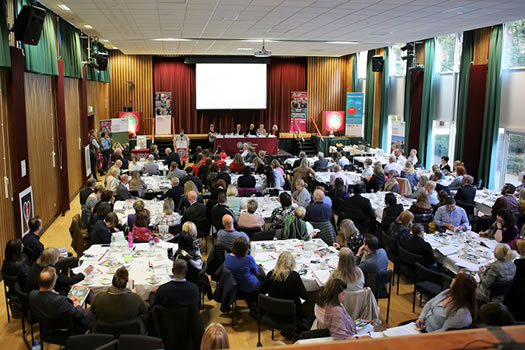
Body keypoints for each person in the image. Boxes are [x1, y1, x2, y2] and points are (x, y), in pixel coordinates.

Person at [29, 267, 92, 332]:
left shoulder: (32, 294)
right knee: (94, 310)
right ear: (53, 283)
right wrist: (77, 305)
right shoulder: (60, 301)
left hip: (46, 326)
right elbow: (79, 315)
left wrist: (68, 300)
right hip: (66, 328)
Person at [26, 247, 93, 294]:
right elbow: (69, 281)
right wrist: (85, 272)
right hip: (53, 290)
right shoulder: (50, 272)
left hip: (33, 290)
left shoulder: (37, 263)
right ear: (53, 260)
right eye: (58, 257)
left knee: (71, 259)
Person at [260, 251, 307, 317]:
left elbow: (262, 291)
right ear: (292, 263)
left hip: (273, 312)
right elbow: (304, 296)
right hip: (292, 314)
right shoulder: (294, 276)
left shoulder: (271, 274)